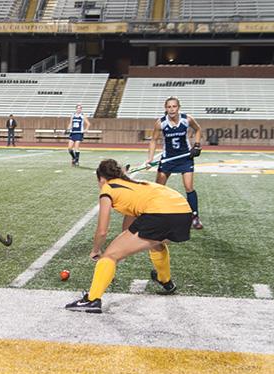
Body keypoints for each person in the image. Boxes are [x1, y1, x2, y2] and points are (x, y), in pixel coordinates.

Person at [65, 159, 192, 313]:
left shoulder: (107, 189)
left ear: (102, 179)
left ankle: (92, 300)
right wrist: (123, 247)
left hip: (161, 214)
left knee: (109, 256)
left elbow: (102, 230)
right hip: (184, 213)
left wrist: (96, 250)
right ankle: (165, 281)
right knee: (155, 243)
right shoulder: (135, 184)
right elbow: (129, 226)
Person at [147, 96, 203, 229]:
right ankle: (155, 215)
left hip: (185, 158)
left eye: (174, 106)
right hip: (168, 159)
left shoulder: (186, 119)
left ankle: (194, 217)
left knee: (189, 187)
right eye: (169, 107)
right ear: (165, 108)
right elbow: (153, 140)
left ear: (179, 107)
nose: (172, 109)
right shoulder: (160, 123)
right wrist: (150, 158)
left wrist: (196, 145)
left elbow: (198, 129)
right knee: (159, 188)